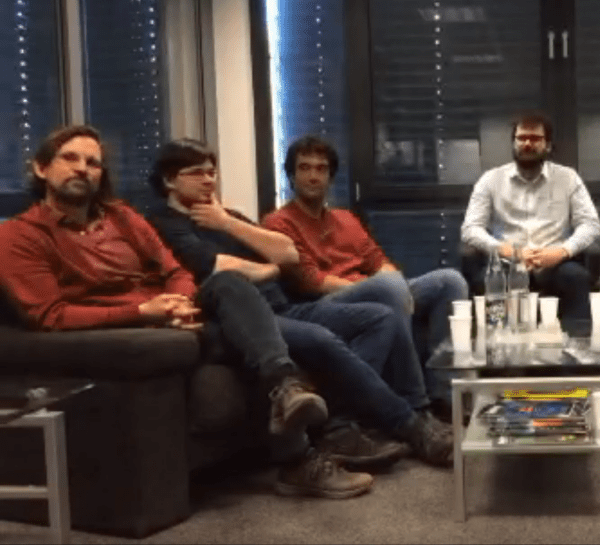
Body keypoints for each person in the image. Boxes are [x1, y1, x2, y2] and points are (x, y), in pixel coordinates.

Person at [0, 125, 375, 499]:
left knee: (229, 285)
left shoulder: (121, 217)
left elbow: (175, 271)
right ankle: (303, 451)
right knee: (286, 338)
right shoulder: (19, 236)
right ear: (41, 168)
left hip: (173, 314)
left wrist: (178, 301)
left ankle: (286, 388)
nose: (82, 168)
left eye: (92, 162)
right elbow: (51, 315)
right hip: (128, 328)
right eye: (70, 158)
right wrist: (143, 312)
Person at [144, 138, 454, 472]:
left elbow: (287, 254)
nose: (209, 180)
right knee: (324, 337)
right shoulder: (163, 223)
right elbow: (219, 267)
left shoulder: (227, 217)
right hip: (250, 317)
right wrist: (269, 269)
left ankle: (344, 422)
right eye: (197, 173)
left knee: (382, 317)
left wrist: (227, 223)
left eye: (212, 172)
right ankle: (410, 423)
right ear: (169, 180)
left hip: (288, 308)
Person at [262, 135, 469, 416]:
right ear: (291, 175)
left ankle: (443, 394)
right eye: (304, 168)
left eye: (321, 169)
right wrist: (380, 286)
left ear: (330, 177)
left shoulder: (345, 219)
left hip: (375, 288)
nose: (313, 176)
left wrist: (395, 286)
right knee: (387, 288)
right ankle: (414, 400)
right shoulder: (278, 223)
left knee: (449, 281)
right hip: (327, 303)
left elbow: (378, 261)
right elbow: (311, 281)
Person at [460, 111, 600, 329]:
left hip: (555, 263)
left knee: (575, 277)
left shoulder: (568, 178)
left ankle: (578, 345)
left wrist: (562, 251)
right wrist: (507, 251)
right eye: (522, 138)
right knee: (491, 280)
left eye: (535, 138)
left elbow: (591, 224)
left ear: (548, 145)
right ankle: (496, 344)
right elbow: (470, 229)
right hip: (508, 262)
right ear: (514, 143)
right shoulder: (490, 180)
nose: (527, 144)